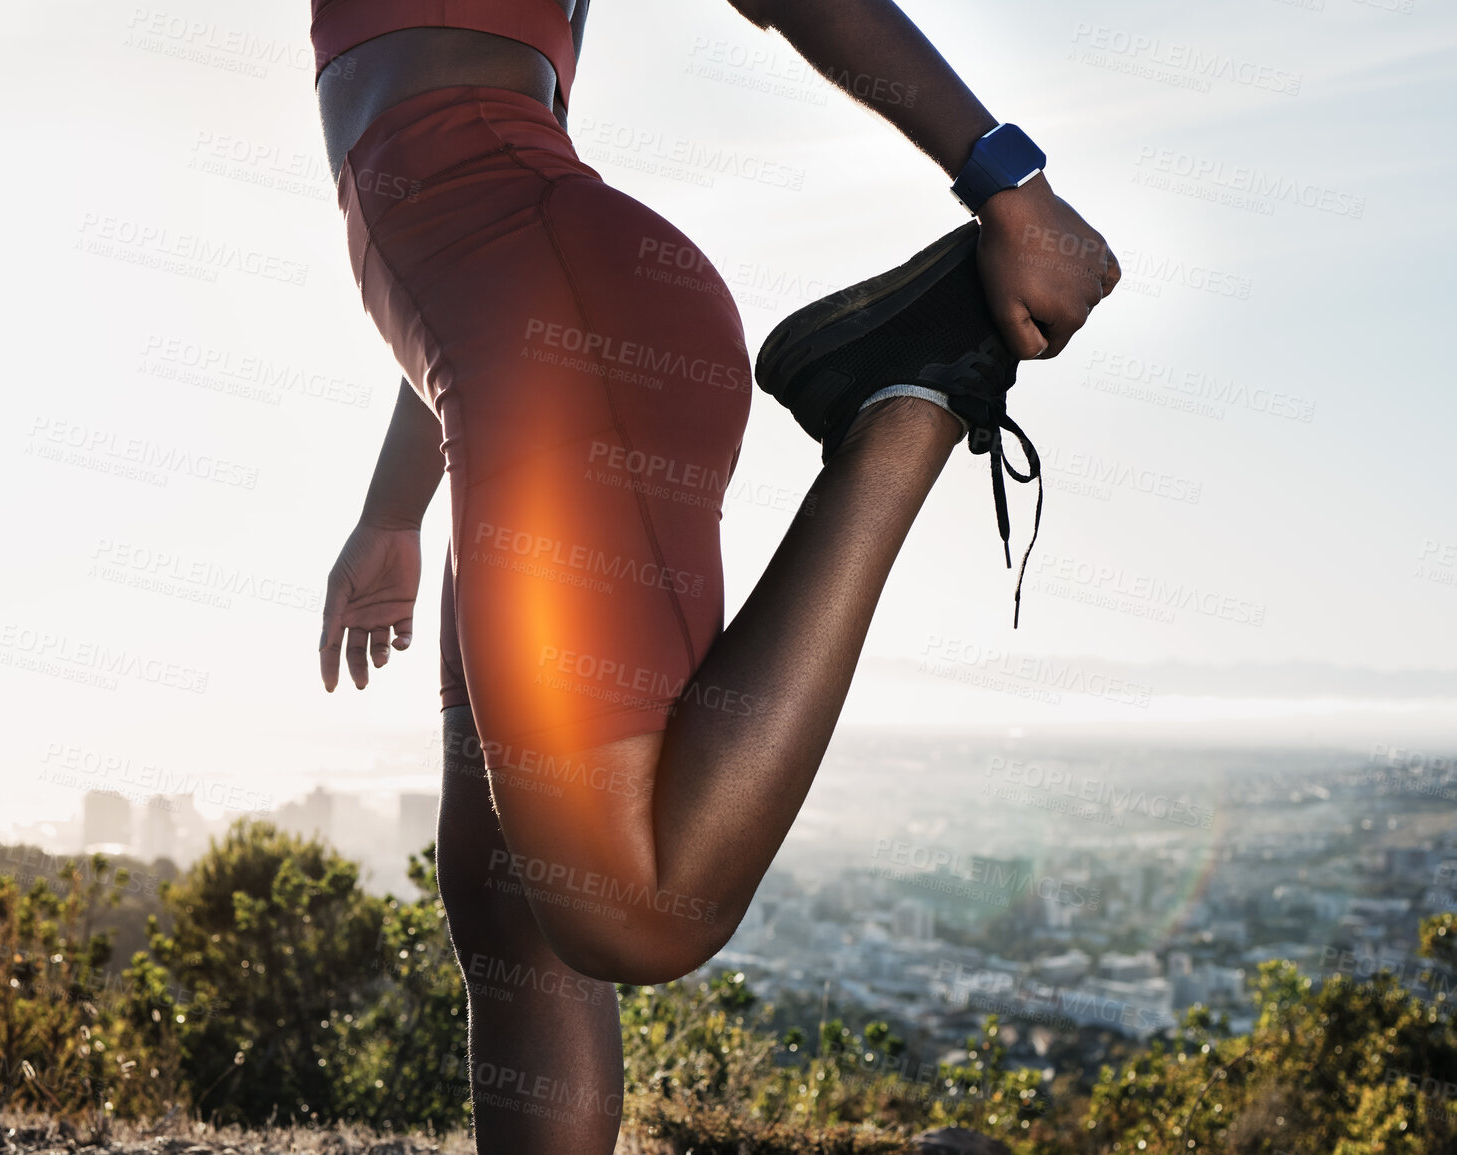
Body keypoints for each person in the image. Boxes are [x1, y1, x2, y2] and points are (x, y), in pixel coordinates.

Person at [312, 1, 1119, 1149]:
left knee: (636, 911)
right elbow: (469, 243)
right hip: (508, 345)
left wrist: (1005, 182)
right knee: (508, 898)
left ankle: (919, 386)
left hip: (564, 328)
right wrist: (393, 514)